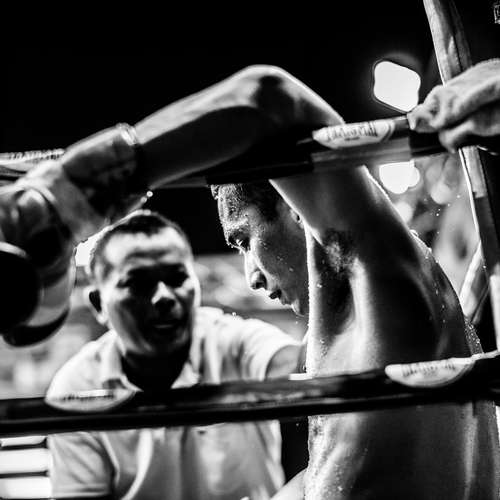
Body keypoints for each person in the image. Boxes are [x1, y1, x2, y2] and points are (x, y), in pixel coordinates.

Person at [5, 59, 500, 498]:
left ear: (294, 207)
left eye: (244, 240)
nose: (252, 278)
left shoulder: (380, 275)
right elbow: (355, 475)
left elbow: (269, 97)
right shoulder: (364, 324)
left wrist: (65, 201)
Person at [47, 209, 303, 500]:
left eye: (177, 278)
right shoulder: (77, 386)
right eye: (139, 284)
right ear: (99, 303)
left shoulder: (235, 341)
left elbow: (301, 367)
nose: (164, 297)